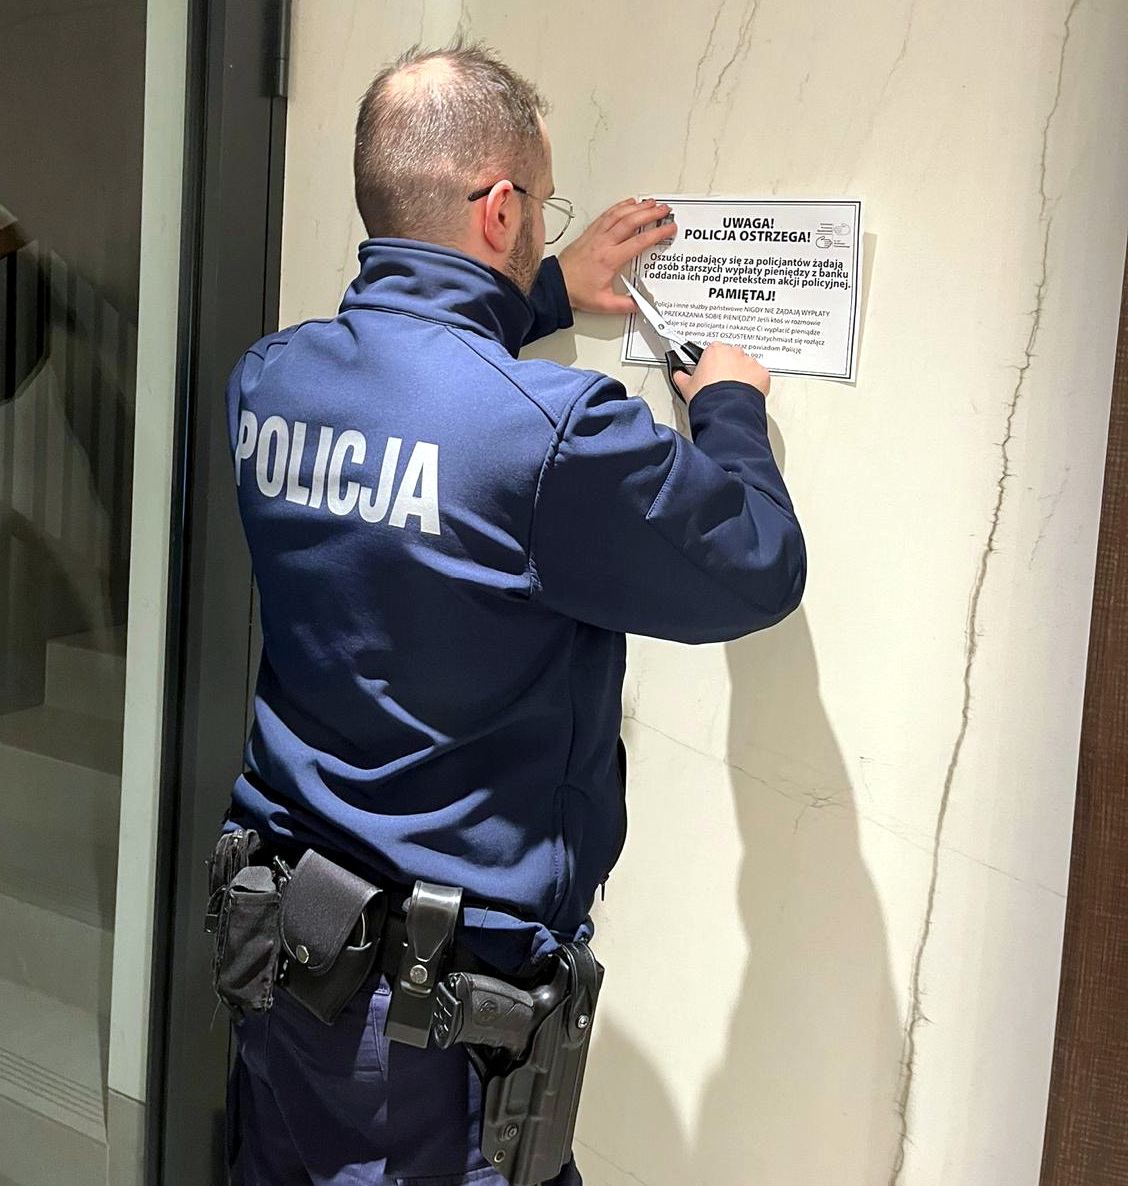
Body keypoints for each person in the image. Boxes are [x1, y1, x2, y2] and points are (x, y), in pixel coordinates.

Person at [220, 41, 805, 1186]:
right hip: (432, 1037)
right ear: (499, 210)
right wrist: (731, 406)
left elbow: (420, 401)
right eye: (542, 205)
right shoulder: (556, 436)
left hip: (282, 961)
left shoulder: (270, 381)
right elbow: (755, 565)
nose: (541, 224)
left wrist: (540, 291)